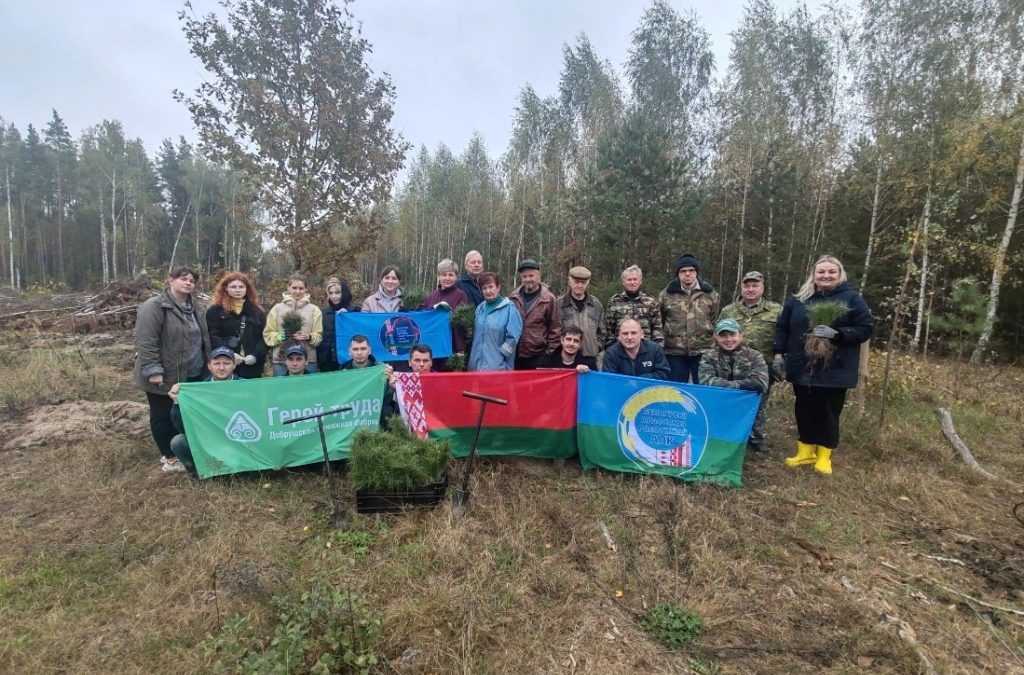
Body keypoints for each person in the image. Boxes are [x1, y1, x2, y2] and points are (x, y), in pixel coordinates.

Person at [773, 255, 873, 475]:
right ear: (814, 274)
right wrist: (779, 354)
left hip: (835, 369)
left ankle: (824, 456)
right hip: (802, 366)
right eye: (821, 272)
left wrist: (838, 334)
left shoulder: (851, 299)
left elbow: (866, 328)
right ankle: (805, 451)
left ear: (839, 274)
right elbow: (782, 327)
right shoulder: (799, 299)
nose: (826, 276)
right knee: (804, 408)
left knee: (828, 411)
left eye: (831, 272)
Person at [134, 266, 211, 471]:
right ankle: (169, 458)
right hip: (164, 372)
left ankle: (184, 448)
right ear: (171, 281)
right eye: (183, 279)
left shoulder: (195, 307)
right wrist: (153, 370)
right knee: (162, 415)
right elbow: (146, 340)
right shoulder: (155, 306)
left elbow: (202, 337)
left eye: (192, 281)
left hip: (192, 372)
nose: (188, 283)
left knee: (183, 413)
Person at [718, 271, 782, 450]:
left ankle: (756, 437)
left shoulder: (776, 310)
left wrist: (781, 358)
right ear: (741, 288)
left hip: (763, 365)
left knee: (759, 401)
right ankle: (732, 436)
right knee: (733, 400)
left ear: (762, 288)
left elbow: (784, 336)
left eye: (755, 285)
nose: (751, 289)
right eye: (747, 285)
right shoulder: (729, 310)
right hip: (731, 365)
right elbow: (718, 334)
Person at [166, 346, 242, 476]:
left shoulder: (246, 386)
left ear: (234, 366)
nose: (222, 368)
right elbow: (182, 427)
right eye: (217, 363)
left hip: (240, 437)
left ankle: (248, 470)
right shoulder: (196, 392)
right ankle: (202, 474)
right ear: (209, 366)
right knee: (178, 441)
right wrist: (177, 403)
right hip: (210, 438)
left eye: (227, 363)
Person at [699, 319, 769, 451]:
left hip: (746, 402)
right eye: (723, 335)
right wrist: (740, 386)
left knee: (757, 396)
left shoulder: (755, 356)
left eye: (732, 335)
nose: (728, 339)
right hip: (720, 402)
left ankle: (755, 437)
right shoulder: (708, 356)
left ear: (741, 335)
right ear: (716, 337)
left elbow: (761, 383)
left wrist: (730, 386)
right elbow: (706, 381)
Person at [660, 252, 719, 383]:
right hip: (675, 352)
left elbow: (713, 318)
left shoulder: (710, 293)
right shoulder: (666, 294)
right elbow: (661, 320)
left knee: (703, 388)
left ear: (696, 272)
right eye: (683, 271)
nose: (687, 274)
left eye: (691, 270)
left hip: (703, 351)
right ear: (678, 273)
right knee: (676, 390)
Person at [206, 271, 267, 379]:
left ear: (247, 288)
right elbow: (212, 336)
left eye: (241, 287)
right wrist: (229, 354)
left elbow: (265, 337)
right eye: (233, 287)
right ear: (226, 288)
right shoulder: (215, 310)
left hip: (252, 366)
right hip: (225, 366)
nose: (238, 290)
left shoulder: (257, 311)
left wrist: (255, 355)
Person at [264, 273, 323, 376]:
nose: (297, 291)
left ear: (306, 289)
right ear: (288, 287)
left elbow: (319, 336)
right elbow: (268, 334)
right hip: (281, 360)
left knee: (308, 390)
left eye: (301, 288)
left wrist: (309, 337)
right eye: (294, 288)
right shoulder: (277, 309)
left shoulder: (314, 310)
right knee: (282, 390)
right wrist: (279, 337)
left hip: (308, 360)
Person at [509, 258, 561, 370]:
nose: (528, 279)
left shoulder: (549, 299)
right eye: (524, 276)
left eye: (531, 276)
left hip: (538, 355)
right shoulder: (513, 297)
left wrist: (548, 355)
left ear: (538, 276)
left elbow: (555, 328)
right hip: (516, 356)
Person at [468, 272, 523, 371]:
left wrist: (501, 355)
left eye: (491, 287)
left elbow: (513, 337)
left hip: (498, 367)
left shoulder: (510, 309)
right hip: (476, 366)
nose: (488, 291)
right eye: (484, 288)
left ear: (498, 287)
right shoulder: (480, 308)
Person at [421, 259, 470, 368]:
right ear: (439, 277)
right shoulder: (432, 296)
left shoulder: (460, 295)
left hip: (452, 348)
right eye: (444, 275)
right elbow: (423, 316)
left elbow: (464, 324)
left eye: (451, 275)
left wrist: (460, 350)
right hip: (433, 347)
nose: (447, 278)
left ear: (456, 277)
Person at [556, 266, 606, 363]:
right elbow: (555, 330)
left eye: (583, 283)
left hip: (590, 358)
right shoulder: (559, 304)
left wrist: (597, 347)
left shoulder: (596, 304)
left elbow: (603, 331)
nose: (579, 285)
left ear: (587, 284)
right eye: (576, 282)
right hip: (566, 359)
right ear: (570, 282)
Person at [604, 265, 663, 347]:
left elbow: (657, 331)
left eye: (635, 279)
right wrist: (612, 349)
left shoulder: (651, 302)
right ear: (623, 282)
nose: (632, 283)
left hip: (646, 349)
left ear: (640, 281)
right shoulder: (614, 301)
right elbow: (609, 330)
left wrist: (657, 350)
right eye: (629, 280)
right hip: (621, 350)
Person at [601, 319, 671, 380]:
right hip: (622, 391)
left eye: (633, 333)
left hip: (648, 390)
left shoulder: (655, 349)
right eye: (625, 333)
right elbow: (609, 380)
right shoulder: (611, 353)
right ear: (619, 336)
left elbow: (664, 374)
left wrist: (639, 380)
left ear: (642, 334)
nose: (629, 337)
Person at [317, 276, 355, 373]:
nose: (334, 296)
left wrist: (348, 316)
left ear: (344, 293)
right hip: (327, 362)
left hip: (349, 361)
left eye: (337, 293)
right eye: (331, 293)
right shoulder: (323, 313)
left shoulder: (355, 311)